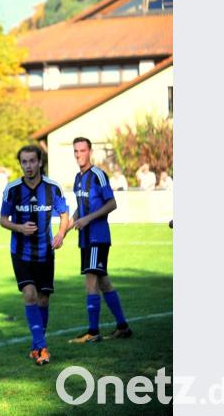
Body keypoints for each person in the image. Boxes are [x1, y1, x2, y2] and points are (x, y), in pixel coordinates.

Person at [0, 145, 70, 365]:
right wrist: (20, 228)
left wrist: (60, 233)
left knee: (43, 298)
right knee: (29, 294)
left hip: (45, 253)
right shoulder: (12, 189)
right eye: (24, 162)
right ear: (20, 164)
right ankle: (42, 348)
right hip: (20, 252)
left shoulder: (53, 188)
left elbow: (65, 215)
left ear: (40, 162)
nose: (28, 166)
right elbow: (3, 220)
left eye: (32, 161)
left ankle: (35, 346)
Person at [67, 137, 132, 343]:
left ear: (90, 151)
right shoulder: (78, 178)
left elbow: (112, 203)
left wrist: (88, 219)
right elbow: (80, 208)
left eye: (82, 150)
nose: (79, 154)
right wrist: (63, 231)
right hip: (85, 239)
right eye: (76, 151)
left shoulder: (98, 175)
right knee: (104, 282)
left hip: (97, 237)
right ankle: (123, 327)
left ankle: (93, 332)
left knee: (91, 280)